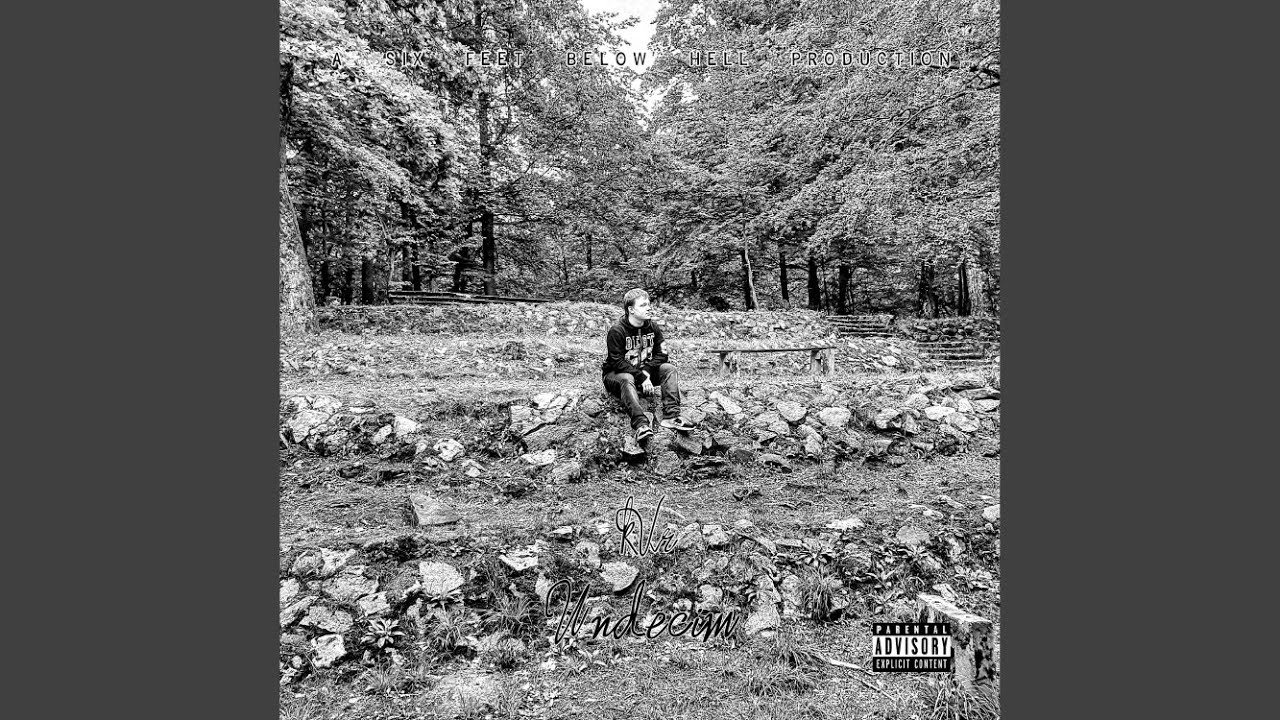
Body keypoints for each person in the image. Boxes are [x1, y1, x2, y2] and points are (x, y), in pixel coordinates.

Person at [602, 288, 696, 446]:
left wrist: (646, 372)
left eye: (648, 304)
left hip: (643, 373)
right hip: (616, 375)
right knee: (627, 378)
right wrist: (641, 377)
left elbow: (662, 355)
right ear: (631, 309)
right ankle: (641, 425)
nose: (648, 308)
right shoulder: (617, 330)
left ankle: (671, 417)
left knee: (669, 369)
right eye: (643, 305)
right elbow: (617, 362)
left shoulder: (652, 326)